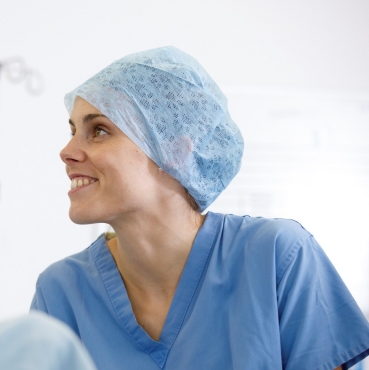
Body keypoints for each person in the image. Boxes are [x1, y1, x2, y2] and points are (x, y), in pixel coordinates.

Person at [30, 46, 369, 369]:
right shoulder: (61, 291)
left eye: (99, 130)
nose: (67, 151)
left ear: (175, 151)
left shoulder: (276, 257)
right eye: (73, 131)